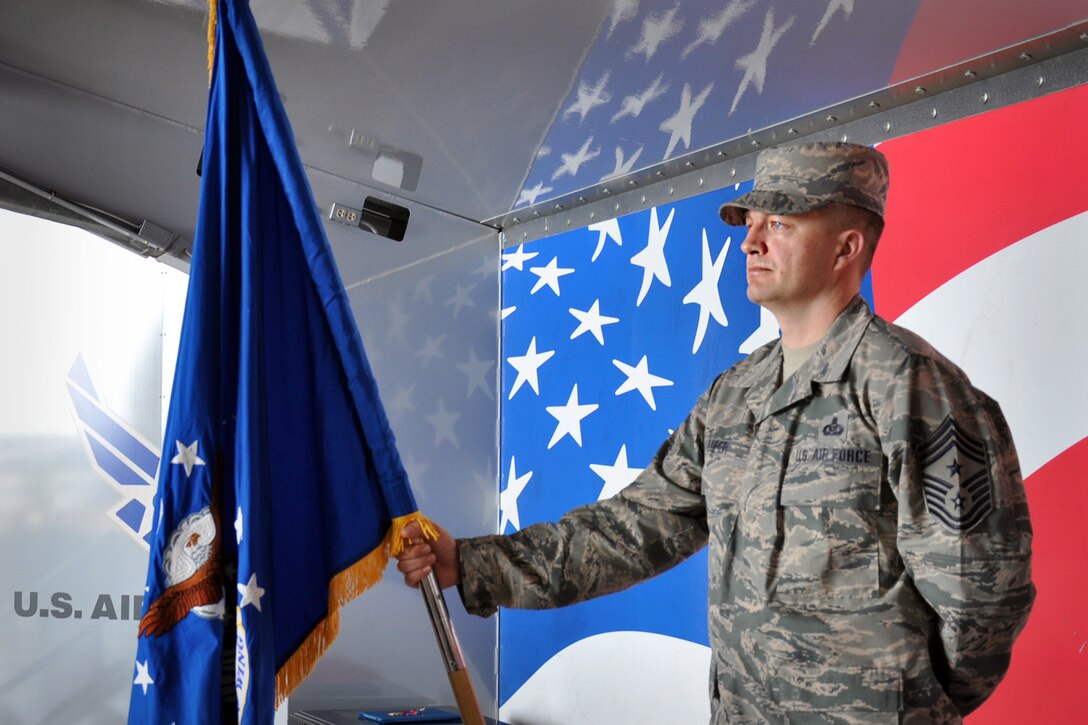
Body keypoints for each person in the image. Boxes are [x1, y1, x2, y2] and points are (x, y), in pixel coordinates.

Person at [396, 142, 1035, 723]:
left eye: (779, 224)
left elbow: (981, 600)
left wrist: (902, 706)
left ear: (847, 248)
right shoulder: (736, 397)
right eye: (751, 225)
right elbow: (631, 531)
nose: (751, 242)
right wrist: (472, 564)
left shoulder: (911, 389)